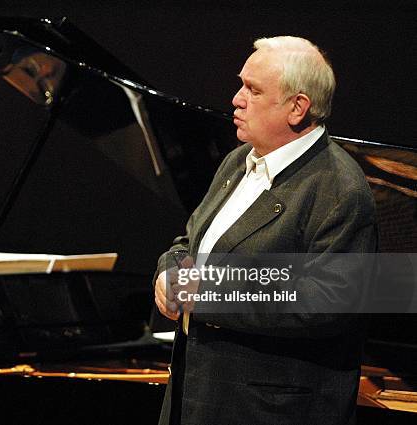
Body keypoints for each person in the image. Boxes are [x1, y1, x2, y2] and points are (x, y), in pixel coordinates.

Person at [154, 36, 377, 425]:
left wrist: (205, 292)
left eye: (253, 90)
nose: (237, 100)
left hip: (269, 410)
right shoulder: (238, 161)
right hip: (196, 396)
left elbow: (327, 300)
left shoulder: (339, 187)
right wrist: (169, 271)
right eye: (241, 85)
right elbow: (190, 241)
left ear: (297, 107)